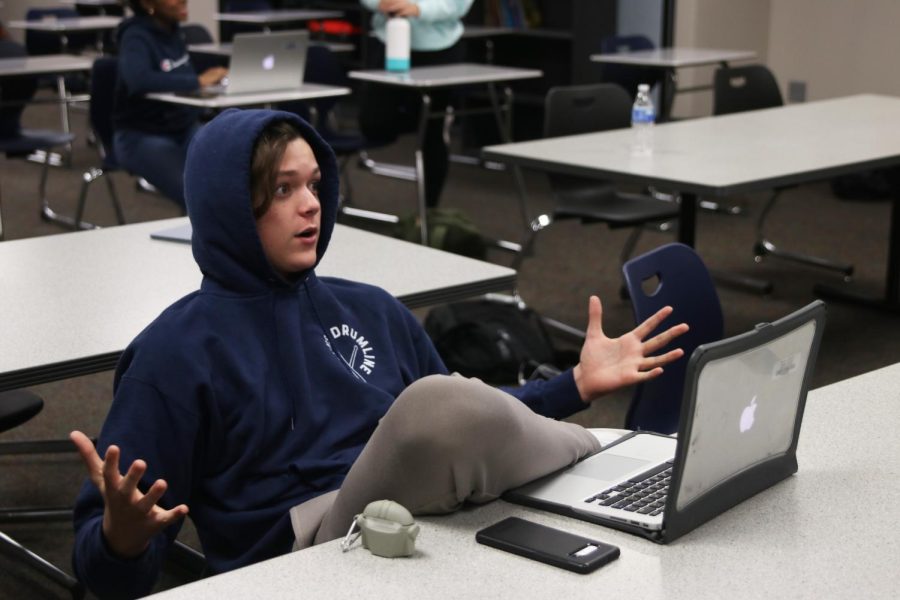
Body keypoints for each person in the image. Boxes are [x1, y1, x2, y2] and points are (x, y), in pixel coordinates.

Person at [70, 108, 688, 598]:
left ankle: (609, 463)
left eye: (314, 184)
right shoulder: (174, 354)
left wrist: (573, 386)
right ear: (228, 206)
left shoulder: (367, 308)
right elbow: (111, 575)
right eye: (283, 189)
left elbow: (469, 422)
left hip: (427, 520)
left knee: (451, 414)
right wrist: (120, 542)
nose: (312, 204)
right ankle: (599, 451)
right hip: (305, 555)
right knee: (436, 408)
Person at [358, 0, 473, 208]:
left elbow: (459, 4)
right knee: (373, 122)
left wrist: (419, 8)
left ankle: (429, 211)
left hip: (439, 47)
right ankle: (428, 118)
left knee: (432, 133)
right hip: (389, 38)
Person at [112, 0, 227, 207]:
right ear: (148, 4)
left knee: (229, 172)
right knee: (196, 193)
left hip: (183, 127)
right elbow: (139, 80)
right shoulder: (135, 36)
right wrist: (197, 81)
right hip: (141, 135)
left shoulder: (173, 32)